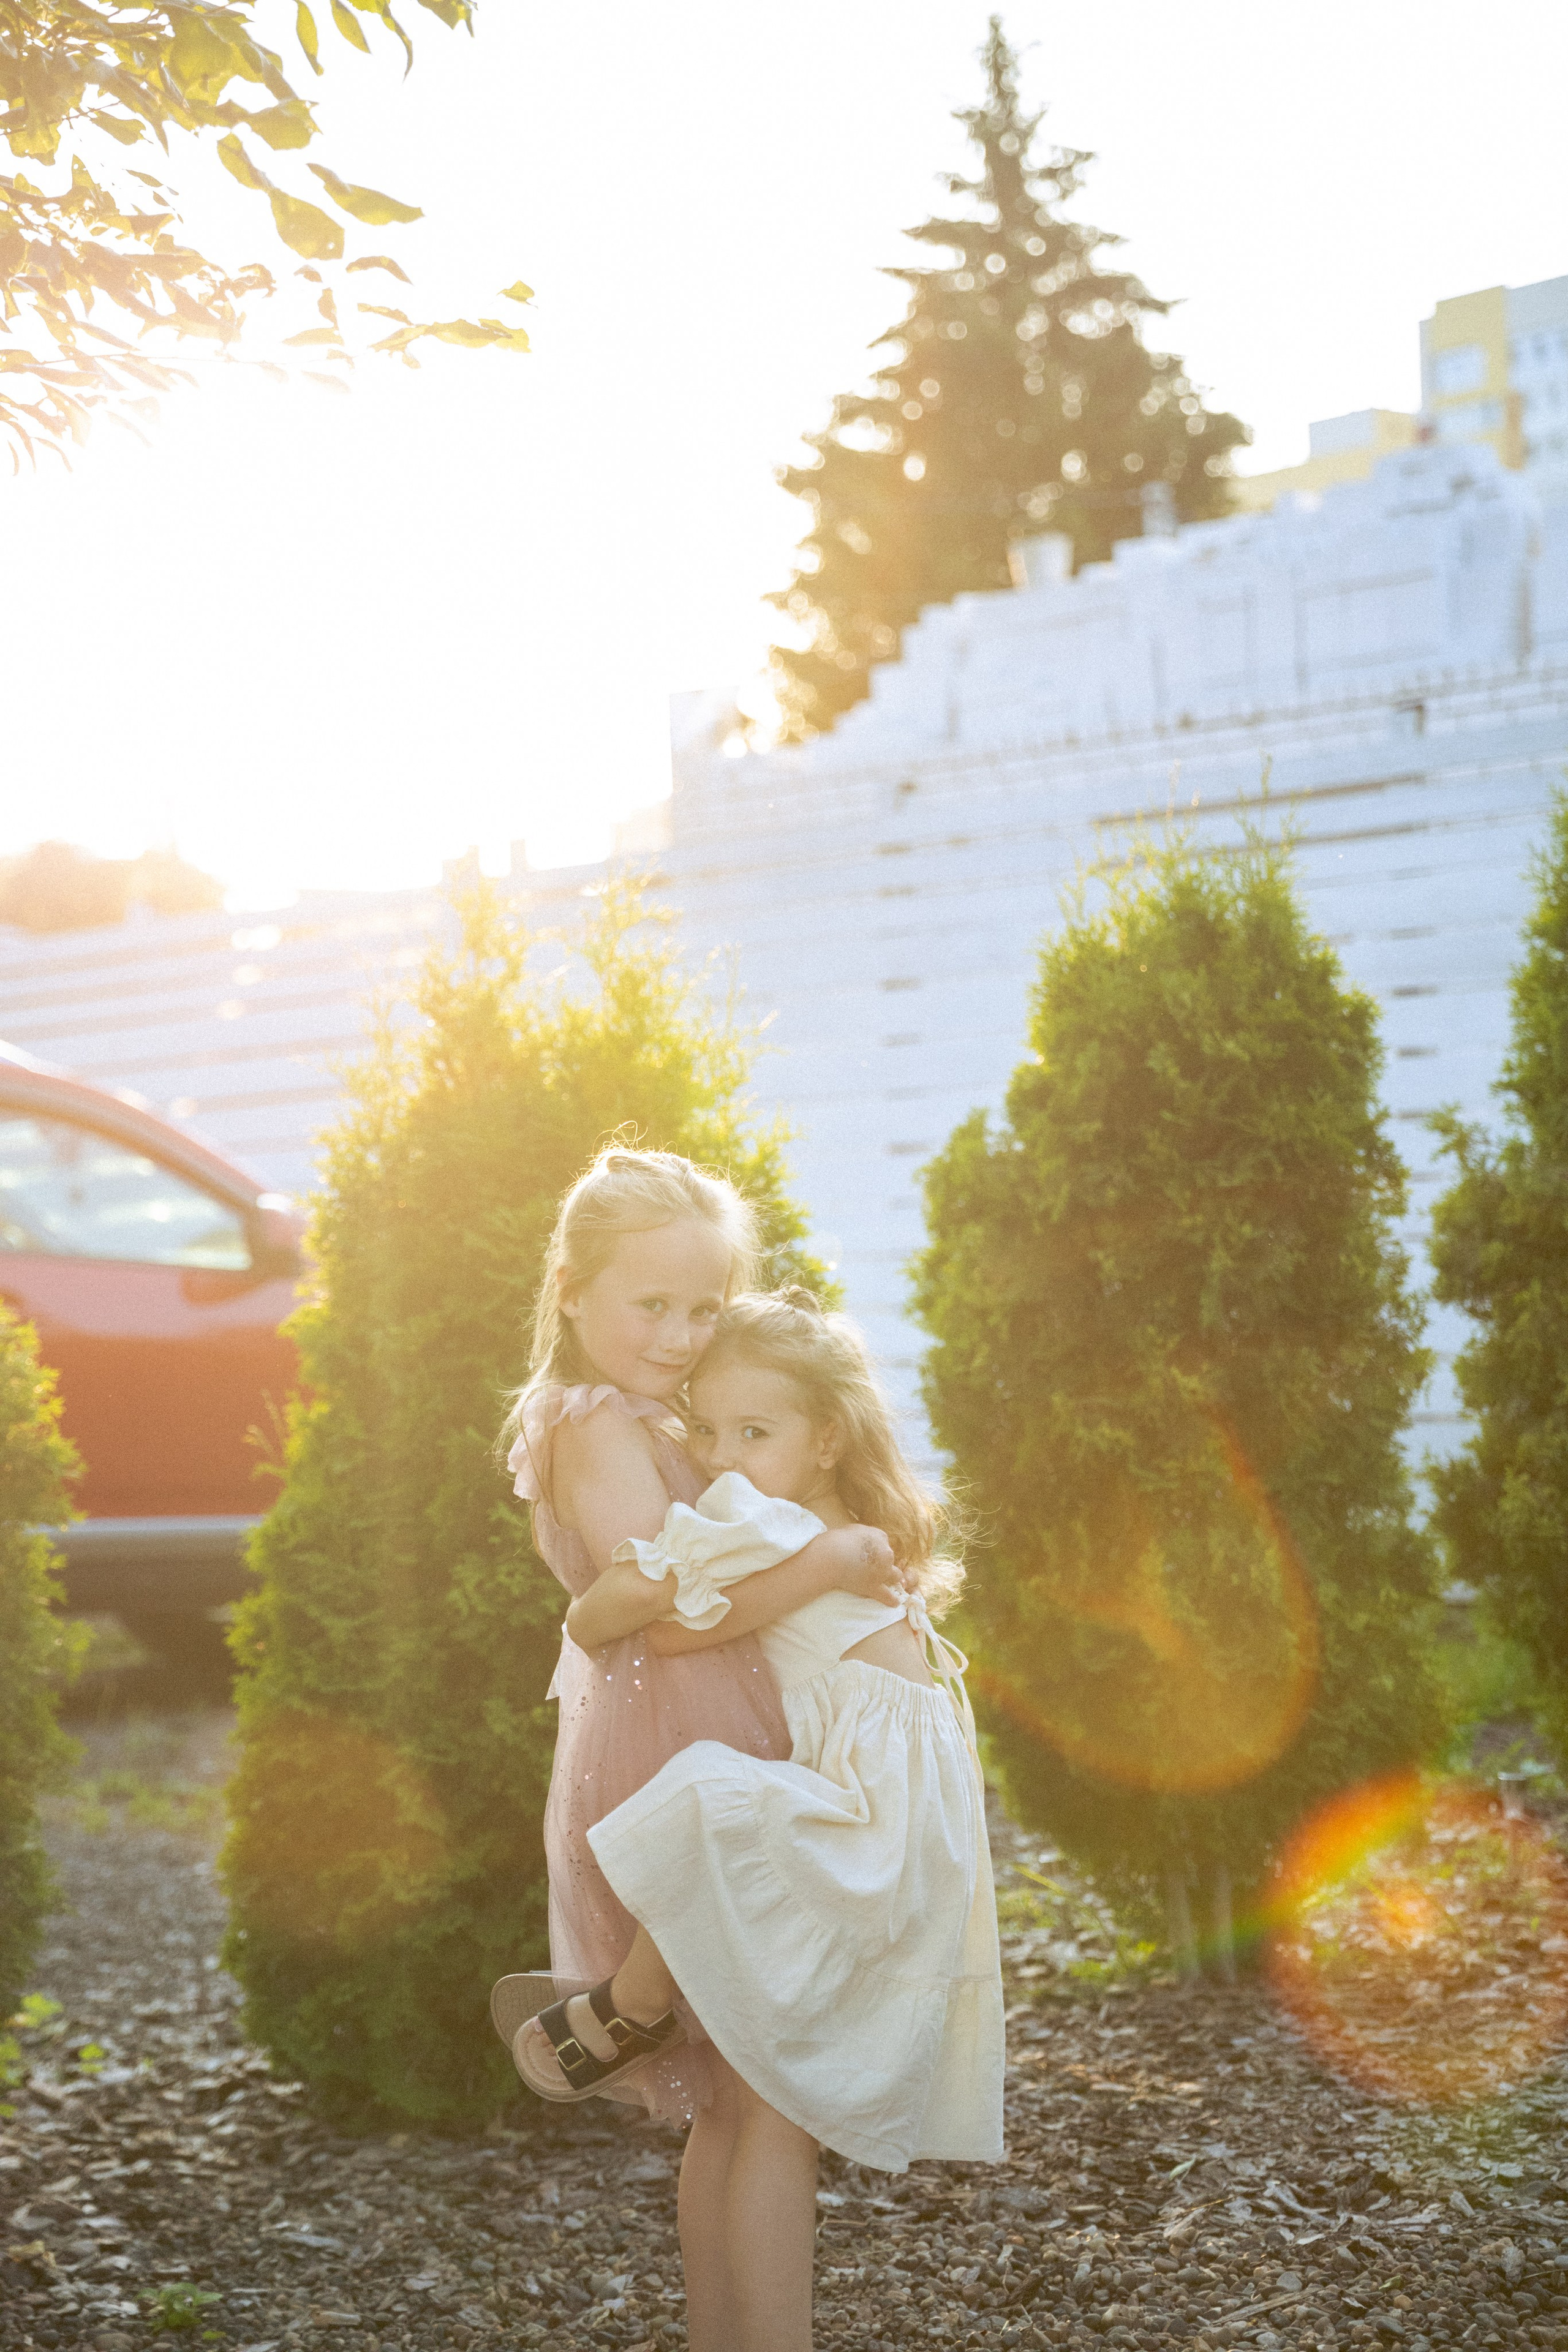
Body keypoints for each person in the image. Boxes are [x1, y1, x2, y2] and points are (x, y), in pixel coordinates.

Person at [508, 1289, 1005, 2352]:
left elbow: (720, 1632)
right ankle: (724, 2330)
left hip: (883, 1829)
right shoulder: (774, 1527)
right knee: (746, 2110)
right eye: (710, 1429)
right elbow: (674, 1633)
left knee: (767, 2106)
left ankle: (626, 2014)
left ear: (828, 1437)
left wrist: (823, 1559)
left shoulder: (807, 1522)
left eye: (756, 1431)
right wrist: (820, 1568)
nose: (726, 1456)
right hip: (861, 1817)